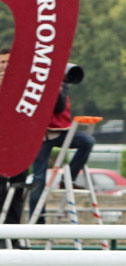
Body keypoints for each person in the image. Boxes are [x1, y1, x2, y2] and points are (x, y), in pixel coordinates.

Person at [28, 73, 94, 223]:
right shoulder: (33, 82)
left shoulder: (61, 84)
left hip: (61, 132)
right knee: (39, 178)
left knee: (87, 141)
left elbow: (59, 108)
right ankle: (37, 221)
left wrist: (57, 89)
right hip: (41, 136)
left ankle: (68, 178)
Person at [0, 46, 27, 248]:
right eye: (1, 63)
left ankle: (14, 237)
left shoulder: (22, 87)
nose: (4, 67)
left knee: (18, 192)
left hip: (17, 146)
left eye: (8, 62)